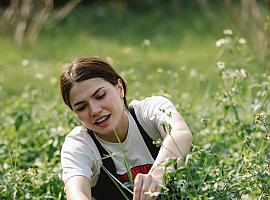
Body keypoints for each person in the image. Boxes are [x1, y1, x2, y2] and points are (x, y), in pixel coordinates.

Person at [59, 56, 193, 200]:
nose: (95, 110)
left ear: (120, 88)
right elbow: (76, 193)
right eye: (81, 107)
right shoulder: (79, 145)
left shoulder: (150, 111)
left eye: (100, 96)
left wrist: (157, 175)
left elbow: (180, 134)